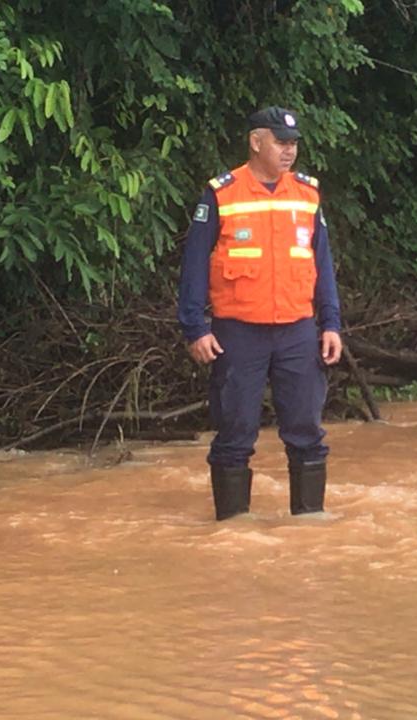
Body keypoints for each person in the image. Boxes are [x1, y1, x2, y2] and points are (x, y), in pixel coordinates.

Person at [177, 106, 344, 521]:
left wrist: (331, 324)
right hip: (238, 333)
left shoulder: (307, 195)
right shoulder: (221, 194)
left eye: (294, 144)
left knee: (306, 433)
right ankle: (233, 530)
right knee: (235, 434)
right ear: (256, 142)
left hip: (298, 331)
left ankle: (311, 524)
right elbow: (194, 264)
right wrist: (195, 327)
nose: (290, 152)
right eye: (281, 143)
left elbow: (321, 264)